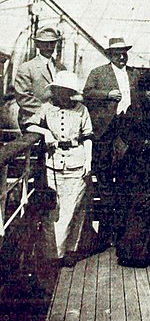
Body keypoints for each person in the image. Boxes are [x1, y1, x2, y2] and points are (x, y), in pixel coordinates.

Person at [25, 71, 93, 267]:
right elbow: (28, 125)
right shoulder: (46, 108)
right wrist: (45, 131)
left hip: (77, 162)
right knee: (54, 211)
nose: (61, 94)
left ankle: (69, 251)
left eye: (65, 90)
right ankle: (53, 254)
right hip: (53, 165)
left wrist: (88, 161)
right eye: (59, 90)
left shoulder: (82, 110)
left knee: (73, 210)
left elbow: (88, 136)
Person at [83, 37, 142, 248]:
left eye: (124, 52)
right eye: (117, 53)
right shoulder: (98, 72)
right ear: (110, 54)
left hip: (128, 131)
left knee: (126, 180)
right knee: (105, 180)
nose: (122, 56)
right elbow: (87, 93)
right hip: (105, 132)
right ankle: (104, 235)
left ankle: (122, 234)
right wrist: (107, 94)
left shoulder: (134, 74)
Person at [115, 69, 150, 267]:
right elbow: (127, 135)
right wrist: (147, 143)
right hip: (138, 168)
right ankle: (133, 254)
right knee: (138, 210)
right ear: (143, 91)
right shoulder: (135, 110)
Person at [14, 26, 67, 130]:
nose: (48, 47)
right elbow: (23, 97)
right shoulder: (26, 68)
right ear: (37, 44)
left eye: (52, 43)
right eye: (44, 43)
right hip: (33, 119)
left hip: (58, 119)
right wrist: (45, 109)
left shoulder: (61, 68)